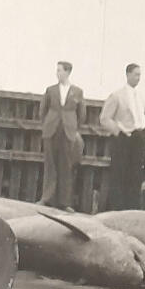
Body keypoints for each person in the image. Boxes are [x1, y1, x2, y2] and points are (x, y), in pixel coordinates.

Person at [100, 63, 145, 210]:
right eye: (135, 74)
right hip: (123, 137)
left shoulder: (140, 96)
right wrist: (119, 132)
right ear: (127, 75)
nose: (138, 78)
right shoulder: (116, 95)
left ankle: (132, 207)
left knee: (135, 173)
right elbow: (104, 118)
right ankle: (117, 207)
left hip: (138, 137)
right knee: (119, 173)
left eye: (140, 75)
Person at [38, 61, 85, 211]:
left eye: (60, 70)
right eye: (57, 70)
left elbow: (82, 114)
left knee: (66, 165)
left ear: (67, 72)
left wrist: (74, 127)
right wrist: (47, 124)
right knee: (50, 163)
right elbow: (42, 111)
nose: (57, 73)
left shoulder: (77, 92)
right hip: (52, 129)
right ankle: (46, 198)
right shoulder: (50, 90)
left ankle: (64, 202)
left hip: (68, 130)